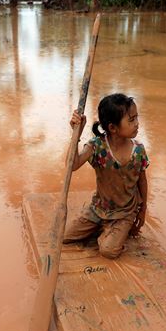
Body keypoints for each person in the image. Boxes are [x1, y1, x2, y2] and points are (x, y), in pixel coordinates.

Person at [64, 93, 149, 259]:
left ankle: (114, 229)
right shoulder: (97, 146)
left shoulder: (138, 150)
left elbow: (143, 181)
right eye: (131, 120)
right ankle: (103, 227)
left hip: (124, 212)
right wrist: (77, 132)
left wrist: (142, 210)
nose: (137, 124)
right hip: (98, 209)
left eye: (136, 118)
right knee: (66, 237)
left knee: (108, 251)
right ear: (112, 128)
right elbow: (71, 165)